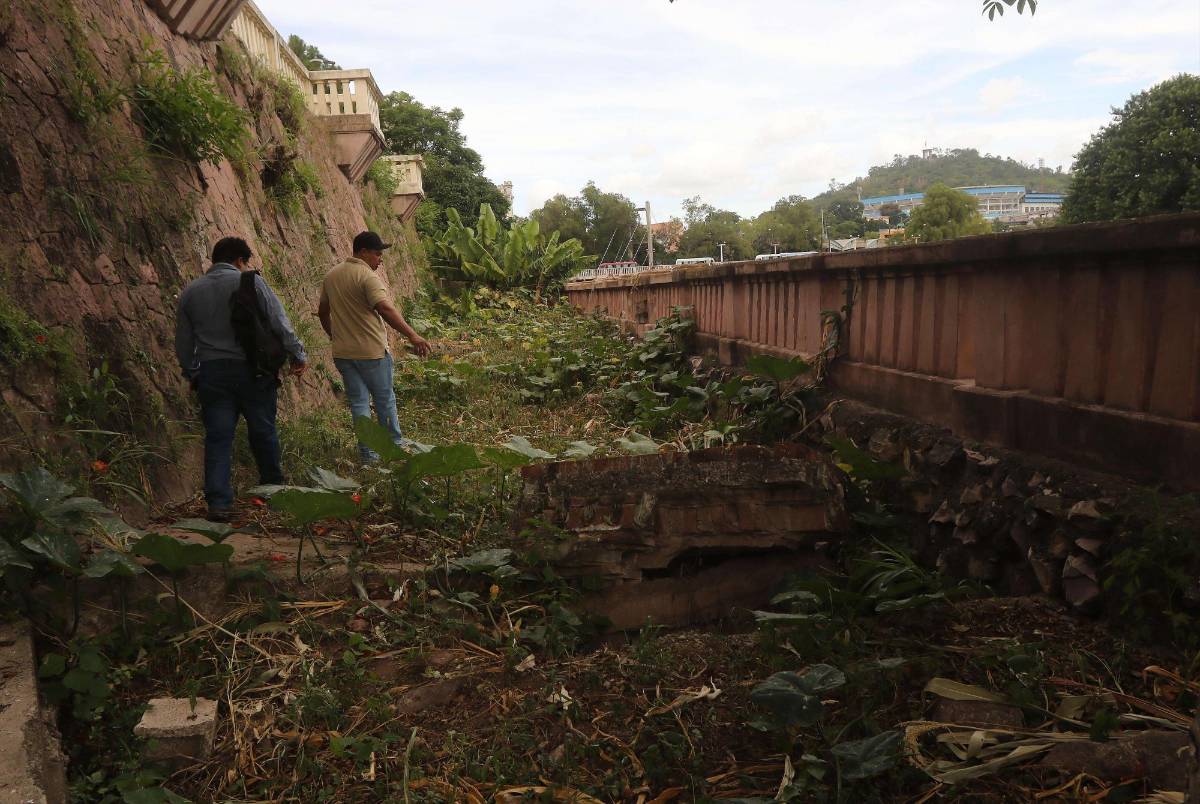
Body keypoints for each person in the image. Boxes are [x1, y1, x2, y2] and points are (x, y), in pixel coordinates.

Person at [175, 237, 307, 521]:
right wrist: (298, 354)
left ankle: (219, 503)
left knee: (219, 437)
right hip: (253, 371)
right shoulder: (251, 282)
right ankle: (273, 492)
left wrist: (192, 371)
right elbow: (279, 322)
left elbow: (184, 342)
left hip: (213, 373)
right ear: (239, 260)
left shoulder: (191, 292)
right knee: (263, 431)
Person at [318, 231, 431, 462]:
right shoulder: (367, 277)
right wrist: (413, 335)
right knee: (384, 400)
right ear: (363, 252)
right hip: (371, 353)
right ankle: (394, 449)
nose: (380, 259)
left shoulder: (332, 275)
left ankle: (368, 456)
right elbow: (385, 308)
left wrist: (334, 335)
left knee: (359, 403)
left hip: (343, 354)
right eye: (377, 254)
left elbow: (322, 312)